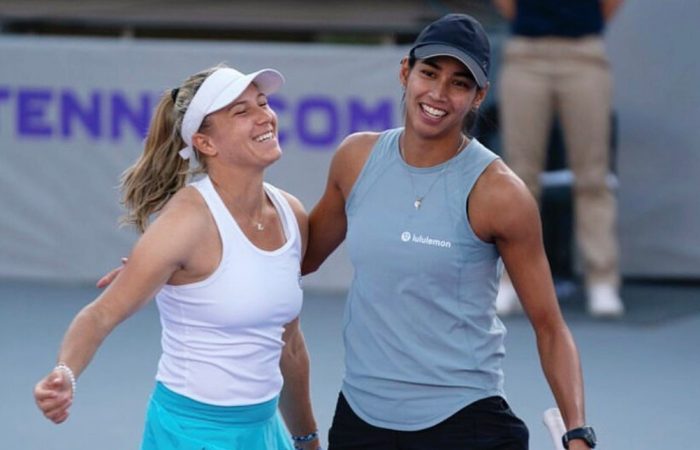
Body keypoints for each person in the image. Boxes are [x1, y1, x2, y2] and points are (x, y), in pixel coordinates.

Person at [303, 13, 597, 450]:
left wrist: (577, 433)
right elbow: (301, 258)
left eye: (459, 83)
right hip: (361, 421)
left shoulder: (501, 194)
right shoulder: (355, 159)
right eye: (429, 73)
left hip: (465, 423)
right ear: (405, 71)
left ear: (479, 96)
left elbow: (550, 326)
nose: (438, 93)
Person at [33, 64, 321, 450]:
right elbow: (100, 315)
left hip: (265, 431)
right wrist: (65, 372)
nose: (264, 116)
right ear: (205, 143)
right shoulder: (183, 224)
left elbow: (289, 344)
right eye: (241, 111)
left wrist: (306, 438)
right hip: (191, 434)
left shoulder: (291, 213)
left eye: (263, 102)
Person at [492, 0, 625, 317]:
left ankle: (601, 279)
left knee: (593, 176)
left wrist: (582, 21)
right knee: (519, 179)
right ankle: (510, 279)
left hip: (584, 52)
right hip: (526, 51)